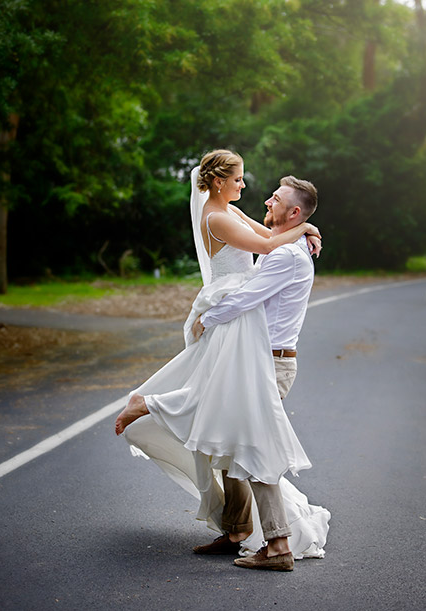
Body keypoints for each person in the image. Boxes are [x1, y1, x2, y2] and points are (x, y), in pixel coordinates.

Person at [114, 150, 329, 570]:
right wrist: (305, 227)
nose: (257, 195)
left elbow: (253, 282)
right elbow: (264, 244)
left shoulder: (282, 249)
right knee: (233, 438)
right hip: (248, 345)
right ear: (218, 182)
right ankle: (238, 530)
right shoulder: (228, 219)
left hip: (267, 357)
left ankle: (277, 543)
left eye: (274, 199)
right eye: (241, 179)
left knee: (246, 441)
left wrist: (209, 317)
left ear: (293, 210)